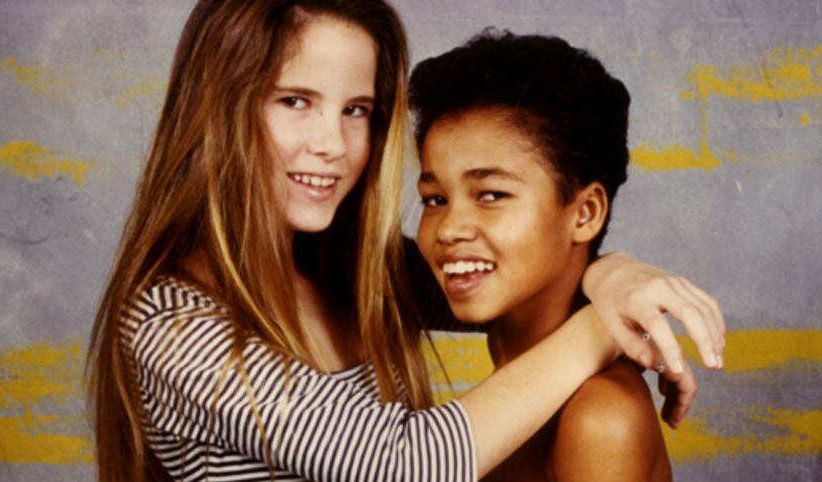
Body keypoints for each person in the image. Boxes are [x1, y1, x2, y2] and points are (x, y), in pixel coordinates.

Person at [86, 2, 725, 481]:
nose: (332, 144)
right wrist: (604, 325)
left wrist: (612, 274)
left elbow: (516, 277)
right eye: (295, 101)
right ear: (218, 108)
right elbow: (403, 464)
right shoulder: (172, 323)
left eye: (356, 109)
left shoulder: (354, 269)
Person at [410, 30, 709, 481]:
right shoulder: (515, 396)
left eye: (491, 195)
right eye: (434, 199)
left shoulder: (599, 418)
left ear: (585, 213)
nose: (449, 229)